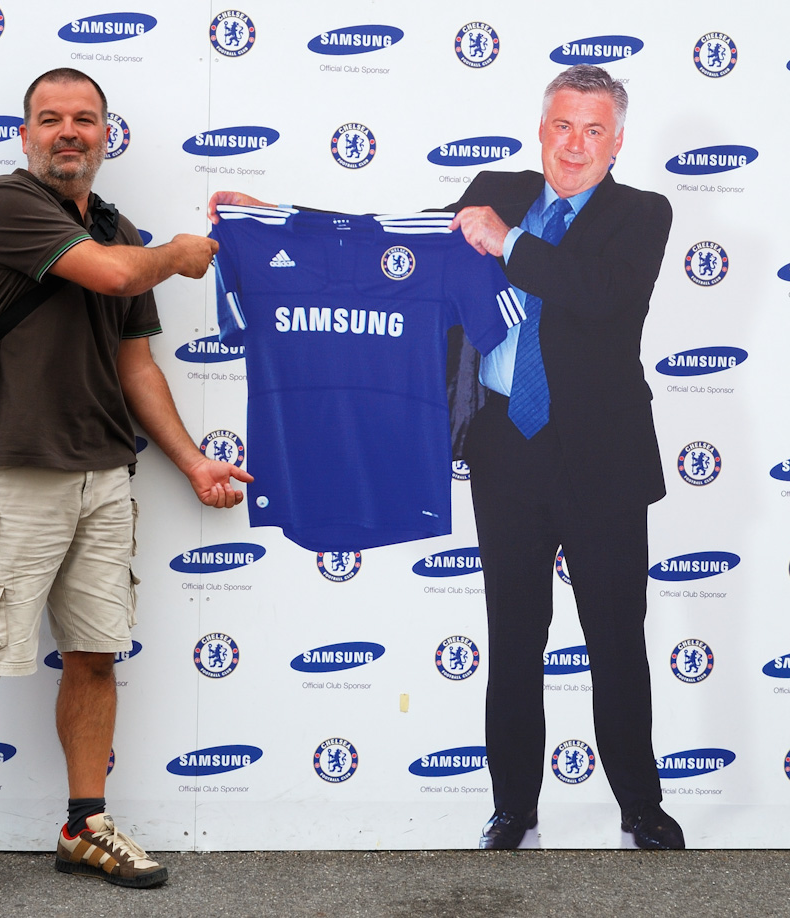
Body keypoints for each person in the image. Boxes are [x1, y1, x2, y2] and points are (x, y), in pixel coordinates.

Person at [208, 64, 682, 851]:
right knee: (514, 636)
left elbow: (603, 296)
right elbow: (397, 241)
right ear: (541, 129)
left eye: (594, 129)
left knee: (615, 640)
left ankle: (640, 805)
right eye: (563, 125)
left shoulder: (643, 213)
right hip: (505, 448)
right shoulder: (497, 183)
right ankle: (513, 810)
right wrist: (276, 219)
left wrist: (510, 242)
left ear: (618, 141)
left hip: (604, 458)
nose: (575, 144)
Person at [0, 68, 251, 909]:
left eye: (86, 119)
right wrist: (176, 256)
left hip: (104, 477)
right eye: (51, 118)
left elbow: (136, 366)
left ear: (108, 134)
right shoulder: (6, 202)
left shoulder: (116, 225)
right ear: (26, 133)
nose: (69, 132)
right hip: (14, 472)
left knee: (97, 656)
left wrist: (191, 460)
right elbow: (111, 275)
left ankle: (83, 826)